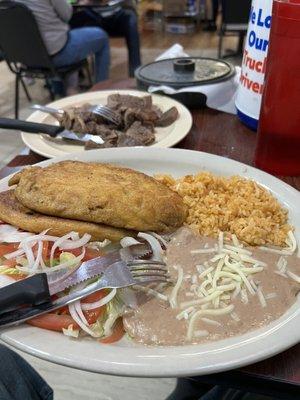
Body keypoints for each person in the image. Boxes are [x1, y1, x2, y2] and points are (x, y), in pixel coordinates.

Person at [17, 0, 110, 94]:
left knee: (58, 37)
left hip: (25, 59)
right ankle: (100, 90)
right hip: (56, 55)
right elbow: (67, 14)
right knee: (102, 37)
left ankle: (60, 89)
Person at [70, 1, 141, 77]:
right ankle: (76, 71)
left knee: (131, 20)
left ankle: (135, 73)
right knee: (73, 21)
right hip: (91, 14)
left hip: (117, 12)